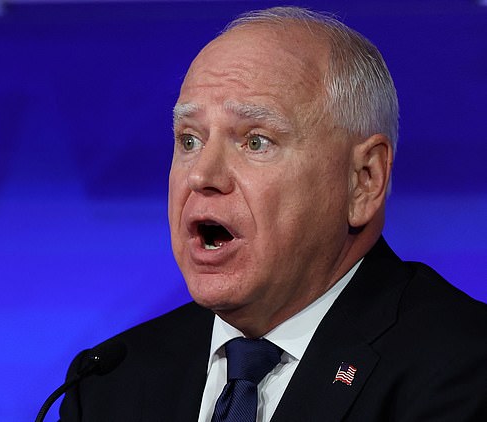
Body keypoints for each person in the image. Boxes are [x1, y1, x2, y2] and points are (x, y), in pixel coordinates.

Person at [58, 6, 487, 421]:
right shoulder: (108, 382)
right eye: (189, 140)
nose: (202, 176)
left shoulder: (463, 370)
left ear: (364, 180)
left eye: (255, 141)